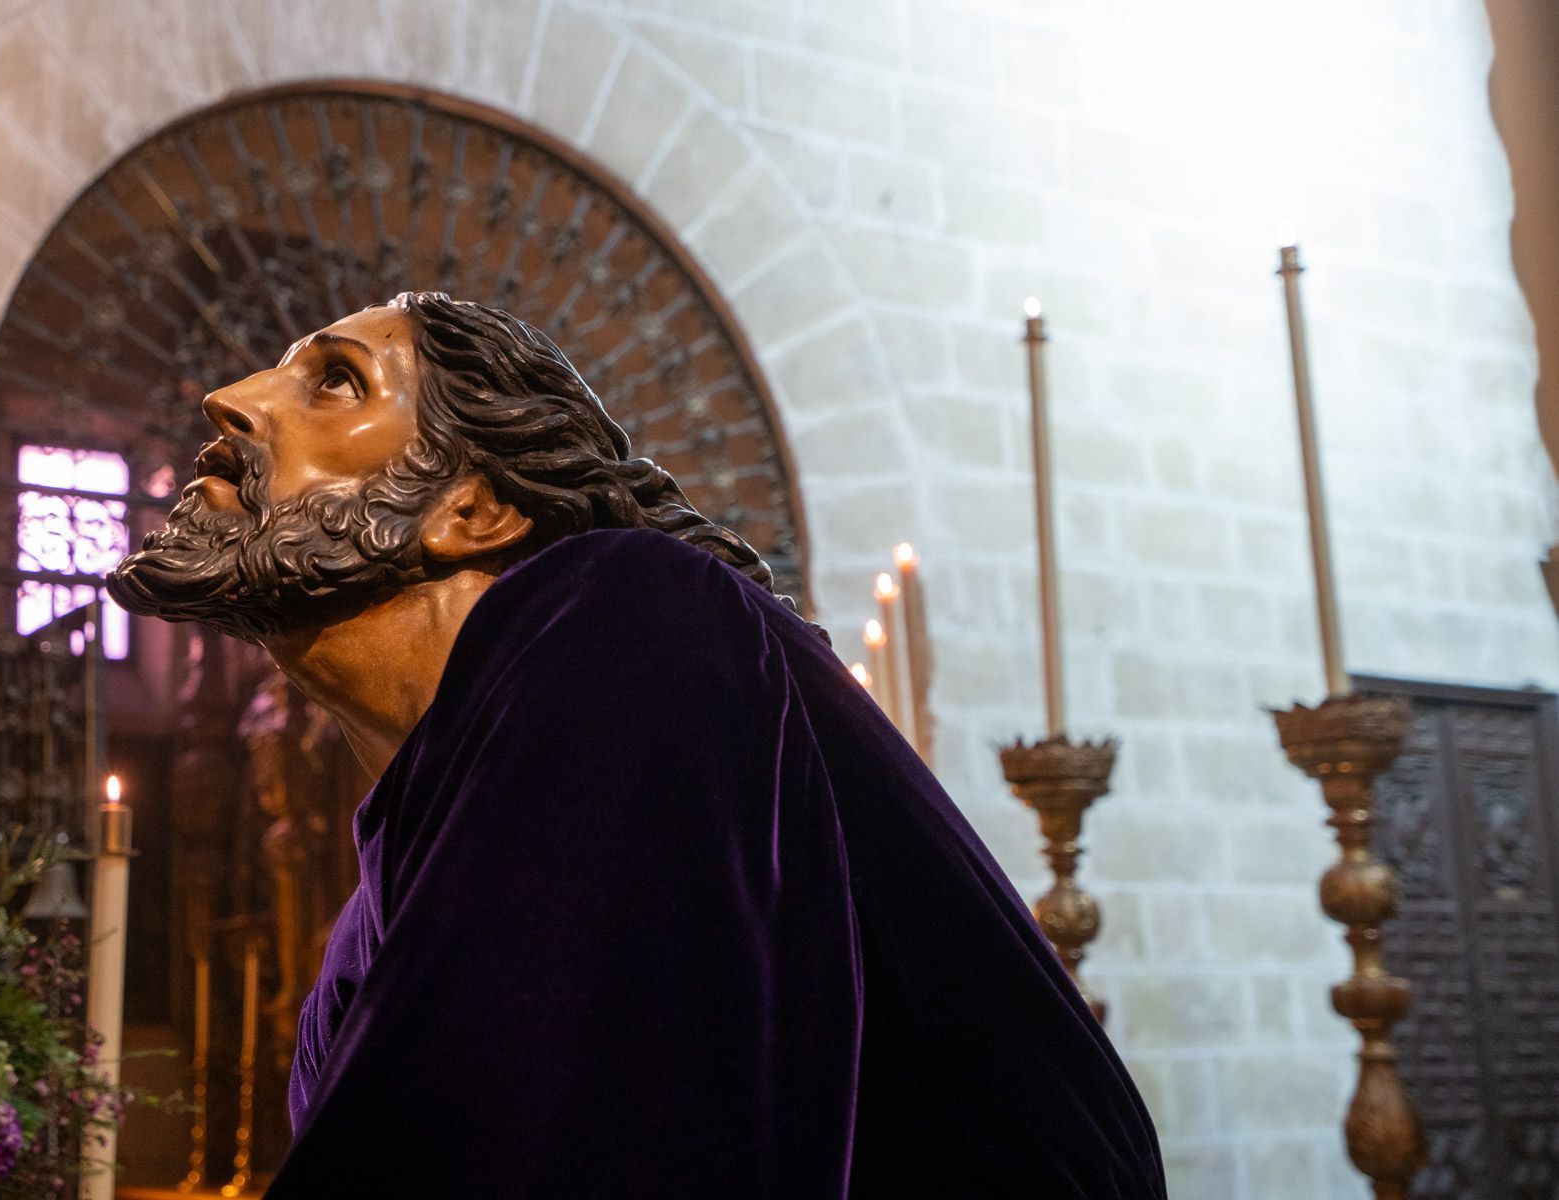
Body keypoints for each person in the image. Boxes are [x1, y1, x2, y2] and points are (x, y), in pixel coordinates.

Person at [107, 293, 1166, 1198]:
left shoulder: (634, 615)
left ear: (474, 507)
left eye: (333, 381)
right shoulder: (359, 942)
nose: (233, 398)